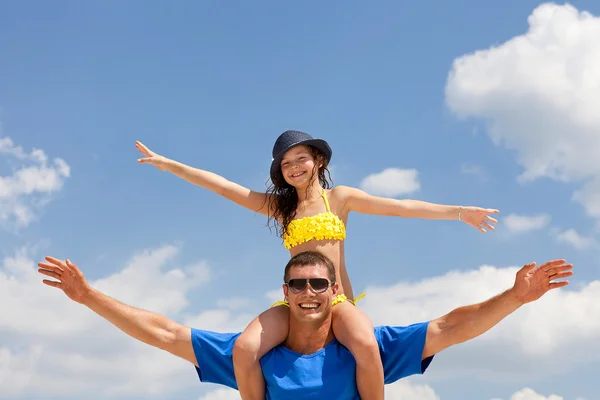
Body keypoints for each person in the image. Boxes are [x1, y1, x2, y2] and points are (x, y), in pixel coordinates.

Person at [135, 130, 500, 400]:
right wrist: (169, 165)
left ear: (318, 161)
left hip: (337, 302)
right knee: (245, 348)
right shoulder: (281, 208)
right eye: (286, 163)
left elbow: (400, 205)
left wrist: (458, 213)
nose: (294, 167)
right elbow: (223, 187)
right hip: (296, 302)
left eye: (301, 159)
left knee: (366, 344)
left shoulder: (338, 198)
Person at [37, 251, 572, 399]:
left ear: (335, 291)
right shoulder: (258, 353)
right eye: (299, 285)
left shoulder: (370, 346)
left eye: (321, 284)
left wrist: (516, 297)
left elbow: (452, 326)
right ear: (285, 293)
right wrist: (88, 298)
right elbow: (165, 332)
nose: (310, 293)